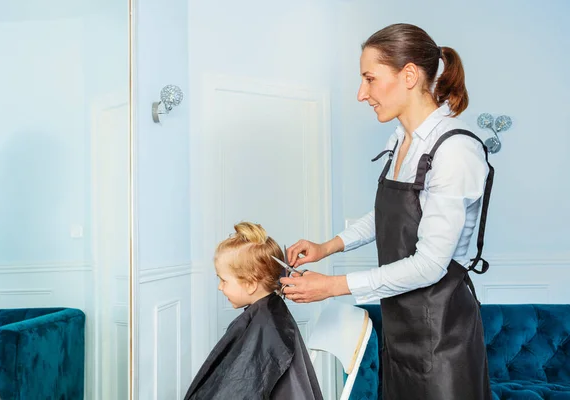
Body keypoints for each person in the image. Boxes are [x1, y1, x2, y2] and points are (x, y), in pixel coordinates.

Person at [280, 23, 494, 400]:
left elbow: (429, 265)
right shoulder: (402, 140)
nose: (362, 94)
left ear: (409, 75)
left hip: (443, 340)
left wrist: (332, 287)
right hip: (400, 333)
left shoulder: (454, 152)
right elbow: (390, 216)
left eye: (370, 79)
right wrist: (327, 247)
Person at [184, 222, 323, 400]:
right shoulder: (270, 315)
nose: (220, 287)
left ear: (250, 284)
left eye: (223, 280)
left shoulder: (266, 325)